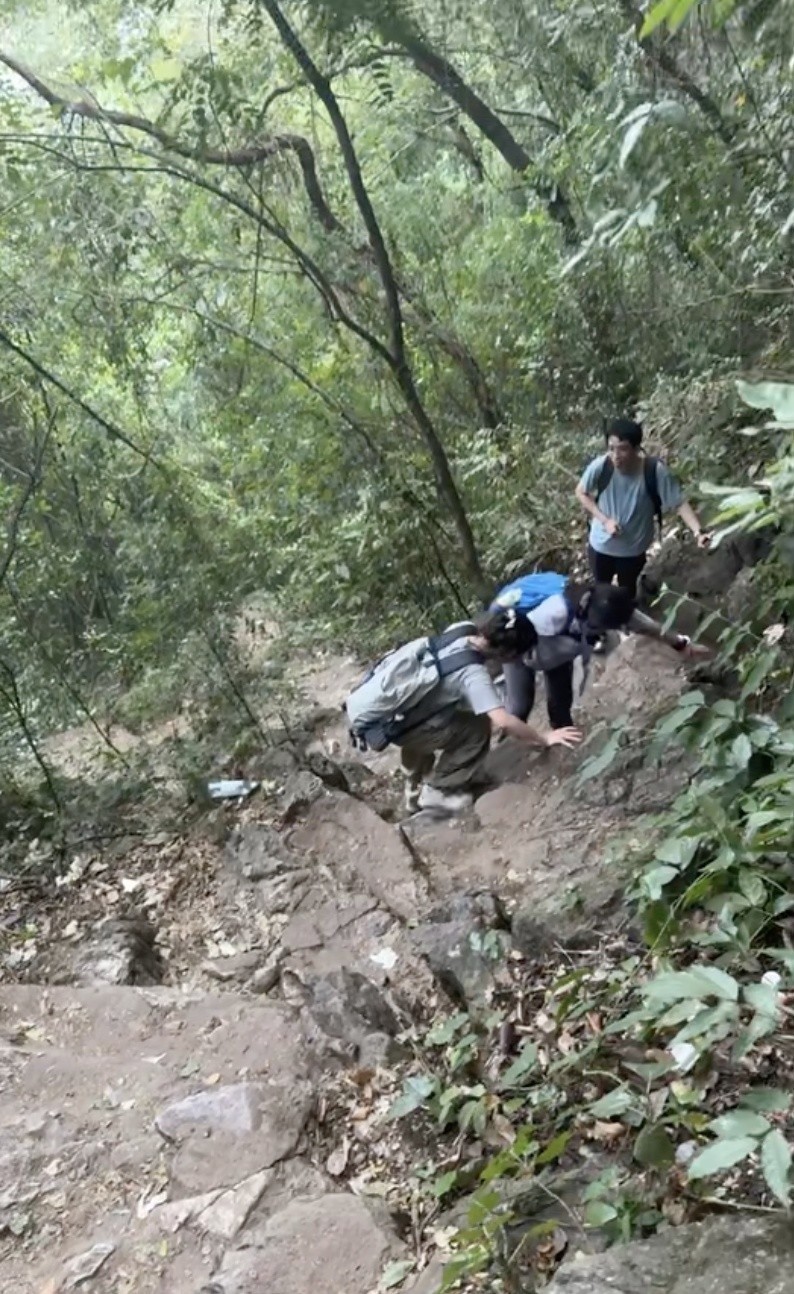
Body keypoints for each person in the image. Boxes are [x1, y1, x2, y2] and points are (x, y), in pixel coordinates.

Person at [345, 608, 582, 815]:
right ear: (507, 654)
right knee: (477, 728)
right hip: (394, 726)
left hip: (380, 711)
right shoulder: (472, 675)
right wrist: (543, 738)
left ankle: (413, 786)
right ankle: (438, 791)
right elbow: (503, 721)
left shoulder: (461, 630)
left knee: (441, 715)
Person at [494, 578, 711, 730]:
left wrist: (682, 644)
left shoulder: (607, 602)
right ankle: (510, 728)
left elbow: (646, 626)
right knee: (520, 706)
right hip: (516, 642)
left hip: (554, 640)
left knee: (561, 698)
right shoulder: (551, 615)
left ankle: (561, 730)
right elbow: (530, 654)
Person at [576, 418, 711, 599]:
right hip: (601, 546)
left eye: (622, 449)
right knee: (601, 595)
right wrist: (605, 520)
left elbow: (678, 502)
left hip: (633, 550)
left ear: (636, 449)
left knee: (627, 595)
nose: (615, 455)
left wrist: (698, 532)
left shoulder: (653, 471)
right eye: (611, 448)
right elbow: (581, 492)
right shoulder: (601, 466)